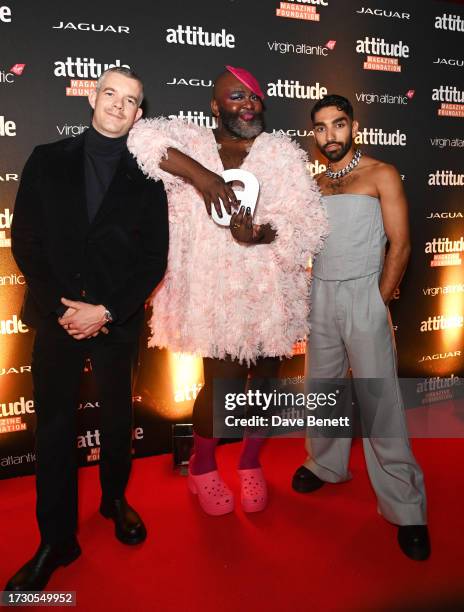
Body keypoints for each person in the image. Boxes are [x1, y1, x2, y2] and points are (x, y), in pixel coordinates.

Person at [128, 66, 328, 515]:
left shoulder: (280, 152)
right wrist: (203, 177)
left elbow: (307, 223)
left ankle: (251, 463)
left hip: (272, 294)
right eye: (236, 97)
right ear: (215, 106)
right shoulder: (194, 142)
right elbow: (140, 139)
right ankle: (201, 469)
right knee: (221, 391)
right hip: (216, 296)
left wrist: (261, 234)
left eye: (255, 98)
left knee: (267, 387)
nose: (248, 104)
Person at [5, 67, 169, 592]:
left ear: (139, 113)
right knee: (53, 428)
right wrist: (61, 308)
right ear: (92, 99)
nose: (119, 105)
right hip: (57, 321)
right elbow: (24, 240)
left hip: (115, 323)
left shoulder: (149, 176)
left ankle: (115, 500)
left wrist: (107, 311)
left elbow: (153, 260)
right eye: (110, 94)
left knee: (119, 418)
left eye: (131, 100)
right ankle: (56, 539)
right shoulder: (46, 160)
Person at [291, 94, 430, 560]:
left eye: (338, 124)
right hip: (321, 294)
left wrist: (378, 299)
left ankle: (406, 506)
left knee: (378, 398)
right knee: (322, 387)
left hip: (364, 294)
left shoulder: (380, 173)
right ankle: (325, 464)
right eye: (321, 127)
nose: (329, 135)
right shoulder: (313, 184)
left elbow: (402, 245)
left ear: (354, 126)